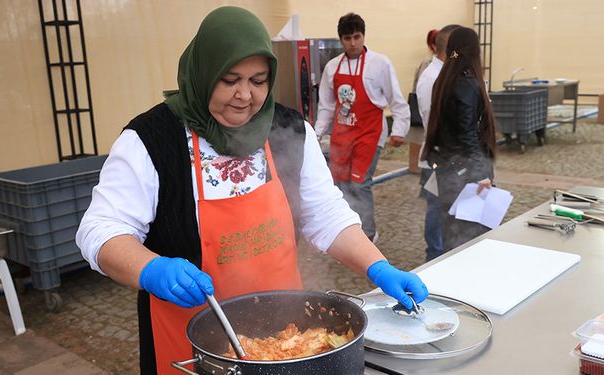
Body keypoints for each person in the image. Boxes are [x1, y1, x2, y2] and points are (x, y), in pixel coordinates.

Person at [76, 7, 428, 374]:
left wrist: (378, 267)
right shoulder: (150, 141)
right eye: (229, 80)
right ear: (202, 72)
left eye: (259, 81)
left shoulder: (290, 129)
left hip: (288, 338)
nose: (245, 95)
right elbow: (99, 230)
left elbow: (326, 215)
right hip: (191, 347)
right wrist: (151, 269)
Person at [314, 13, 411, 243]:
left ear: (363, 36)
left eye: (357, 37)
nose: (353, 43)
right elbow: (326, 106)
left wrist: (399, 129)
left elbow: (396, 100)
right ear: (341, 40)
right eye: (347, 38)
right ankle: (346, 230)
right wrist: (316, 134)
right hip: (342, 135)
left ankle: (367, 235)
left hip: (370, 134)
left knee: (359, 184)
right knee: (339, 185)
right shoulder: (332, 67)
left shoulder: (380, 63)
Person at [421, 26, 497, 252]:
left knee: (453, 236)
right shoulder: (466, 82)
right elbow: (467, 134)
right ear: (474, 52)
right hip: (466, 174)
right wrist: (482, 175)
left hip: (447, 171)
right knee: (472, 240)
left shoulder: (443, 80)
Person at [415, 25, 460, 261]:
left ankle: (442, 257)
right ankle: (435, 260)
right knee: (437, 213)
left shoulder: (444, 73)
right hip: (441, 157)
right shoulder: (435, 77)